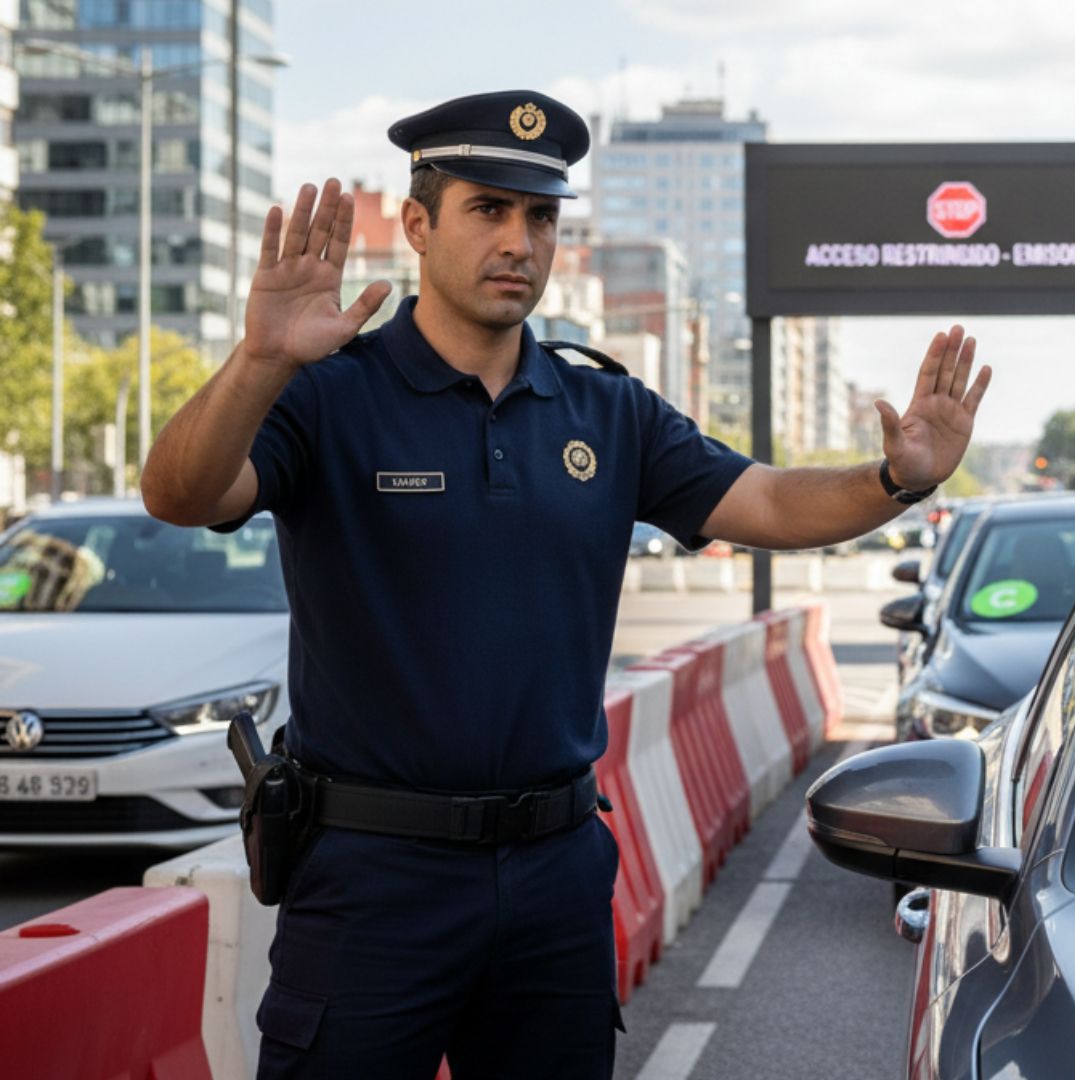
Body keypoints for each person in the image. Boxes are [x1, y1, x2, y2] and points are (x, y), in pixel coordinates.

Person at [140, 90, 990, 1079]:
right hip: (373, 879)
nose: (519, 241)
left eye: (540, 216)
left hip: (554, 875)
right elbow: (181, 493)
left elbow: (766, 502)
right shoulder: (331, 395)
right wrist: (259, 360)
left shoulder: (607, 407)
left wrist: (897, 479)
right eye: (488, 209)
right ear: (417, 225)